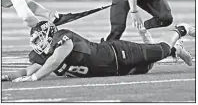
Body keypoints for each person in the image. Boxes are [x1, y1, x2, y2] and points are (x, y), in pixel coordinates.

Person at [2, 21, 194, 82]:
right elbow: (27, 71)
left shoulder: (63, 37)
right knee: (146, 67)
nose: (38, 45)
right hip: (114, 71)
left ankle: (179, 31)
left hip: (118, 53)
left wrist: (35, 79)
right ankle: (176, 51)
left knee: (161, 49)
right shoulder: (42, 55)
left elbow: (55, 61)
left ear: (49, 34)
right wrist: (7, 77)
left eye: (40, 39)